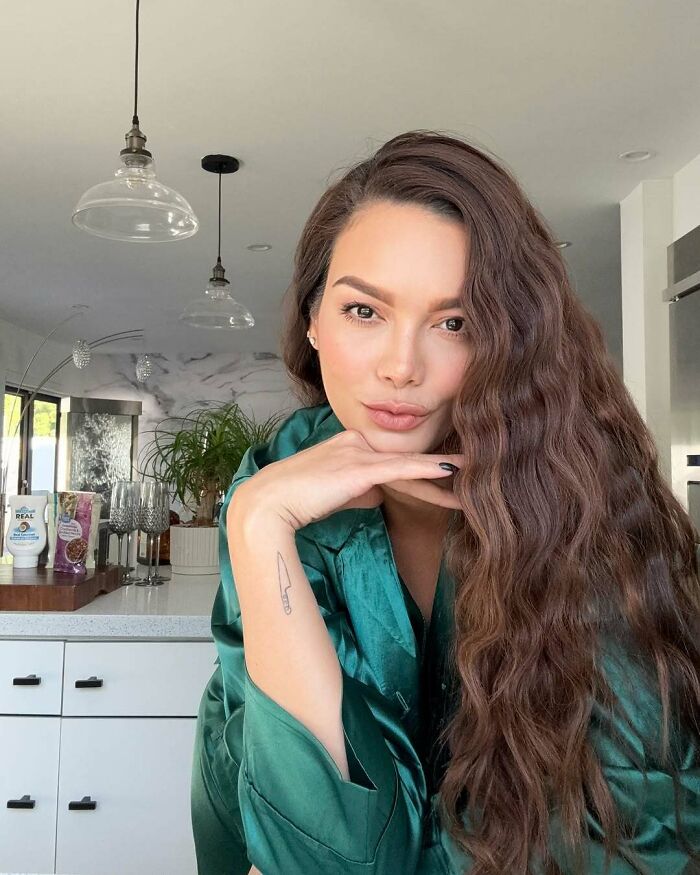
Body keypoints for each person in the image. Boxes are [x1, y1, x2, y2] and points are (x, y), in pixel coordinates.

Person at [190, 130, 700, 875]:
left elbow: (637, 837)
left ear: (511, 340)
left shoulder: (580, 498)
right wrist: (257, 521)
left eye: (454, 323)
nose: (402, 366)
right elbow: (322, 853)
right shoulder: (274, 481)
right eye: (365, 311)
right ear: (313, 320)